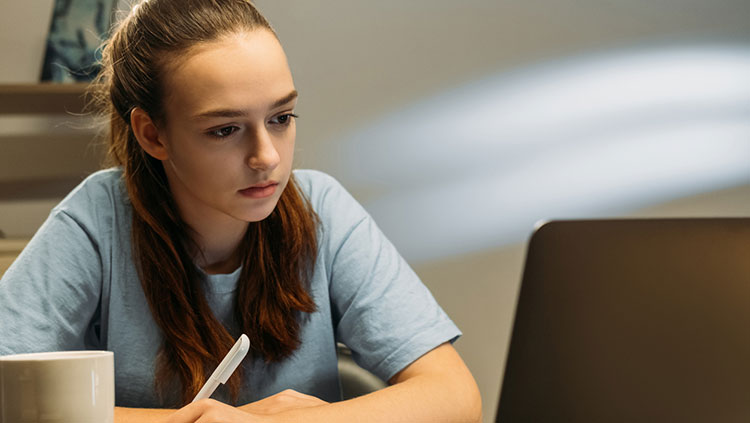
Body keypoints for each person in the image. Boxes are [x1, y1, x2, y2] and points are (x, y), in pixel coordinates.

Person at [0, 0, 482, 421]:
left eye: (280, 118)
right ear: (153, 134)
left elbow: (455, 396)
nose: (267, 157)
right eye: (225, 129)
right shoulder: (97, 221)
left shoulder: (324, 212)